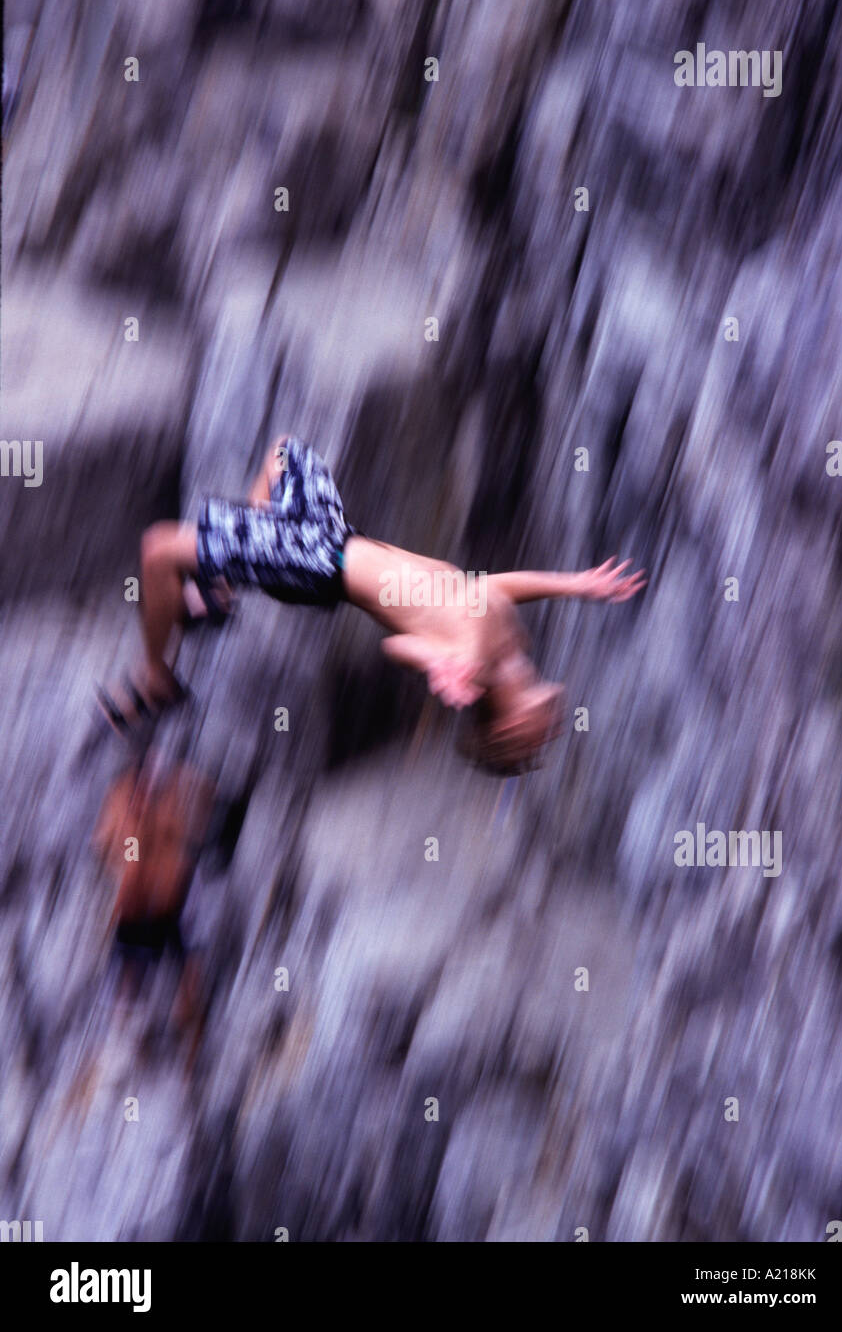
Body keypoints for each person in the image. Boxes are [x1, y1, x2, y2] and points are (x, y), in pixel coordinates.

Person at [98, 436, 645, 773]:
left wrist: (437, 663)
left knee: (158, 550)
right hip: (335, 535)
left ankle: (155, 677)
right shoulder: (508, 646)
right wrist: (576, 584)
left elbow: (397, 642)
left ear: (506, 727)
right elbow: (496, 588)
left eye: (537, 737)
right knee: (285, 452)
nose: (553, 727)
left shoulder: (472, 669)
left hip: (314, 564)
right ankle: (224, 581)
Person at [92, 754, 214, 1046]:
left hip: (171, 896)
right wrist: (121, 865)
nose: (145, 797)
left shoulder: (173, 798)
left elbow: (195, 825)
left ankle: (188, 1022)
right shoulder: (120, 800)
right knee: (130, 962)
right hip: (136, 901)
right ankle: (125, 1026)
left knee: (185, 956)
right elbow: (103, 844)